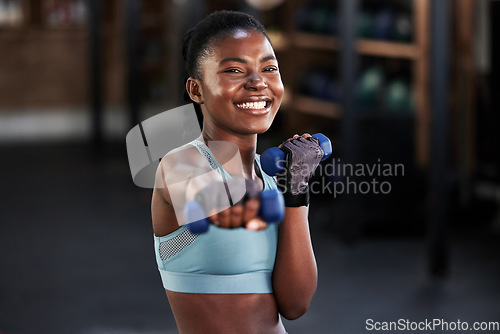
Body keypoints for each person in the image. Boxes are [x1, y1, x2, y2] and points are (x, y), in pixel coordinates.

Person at [151, 10, 323, 334]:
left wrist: (297, 195)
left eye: (269, 68)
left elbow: (296, 304)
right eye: (234, 70)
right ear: (196, 90)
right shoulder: (179, 166)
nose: (258, 82)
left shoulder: (274, 179)